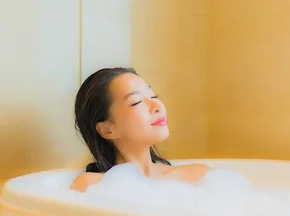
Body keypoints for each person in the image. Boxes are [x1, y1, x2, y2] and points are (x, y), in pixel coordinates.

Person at [70, 67, 210, 192]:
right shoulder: (92, 186)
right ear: (107, 130)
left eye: (153, 96)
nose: (157, 105)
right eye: (136, 101)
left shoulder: (200, 175)